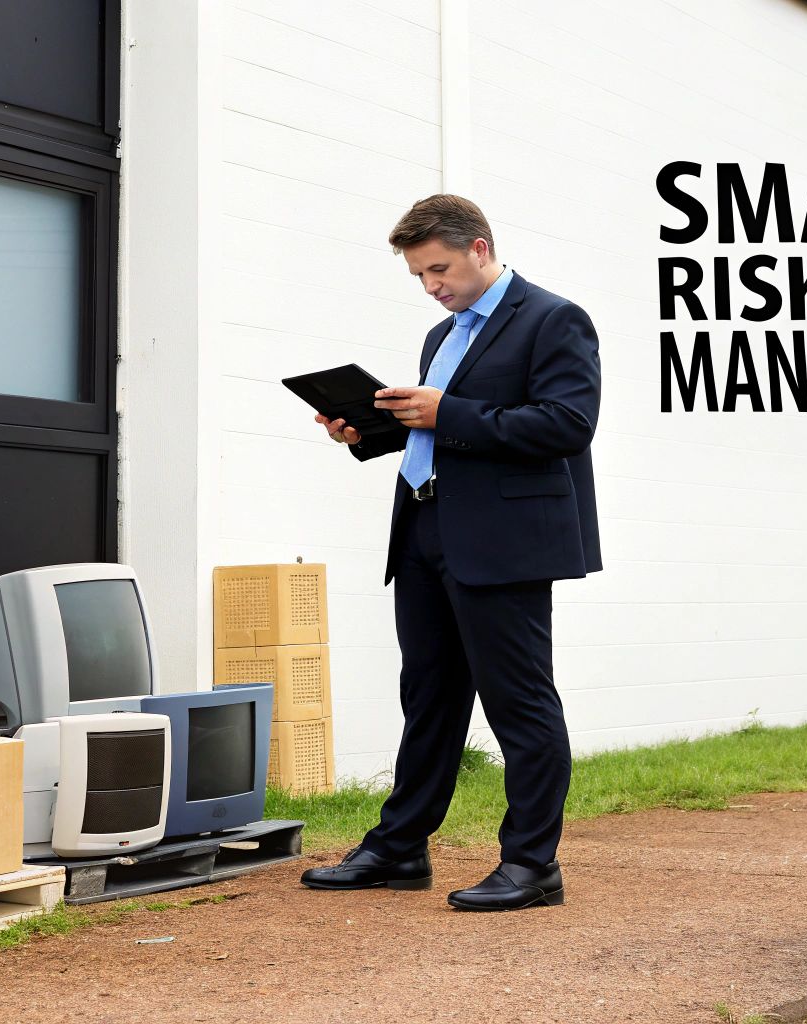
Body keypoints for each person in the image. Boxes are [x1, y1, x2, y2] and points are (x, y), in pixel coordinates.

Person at [299, 195, 602, 911]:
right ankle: (399, 849)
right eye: (419, 275)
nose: (432, 285)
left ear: (480, 248)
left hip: (504, 543)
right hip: (427, 530)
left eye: (438, 268)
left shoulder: (553, 319)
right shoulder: (443, 338)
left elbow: (566, 423)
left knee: (520, 705)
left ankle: (533, 866)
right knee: (428, 698)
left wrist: (444, 412)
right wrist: (368, 431)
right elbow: (442, 433)